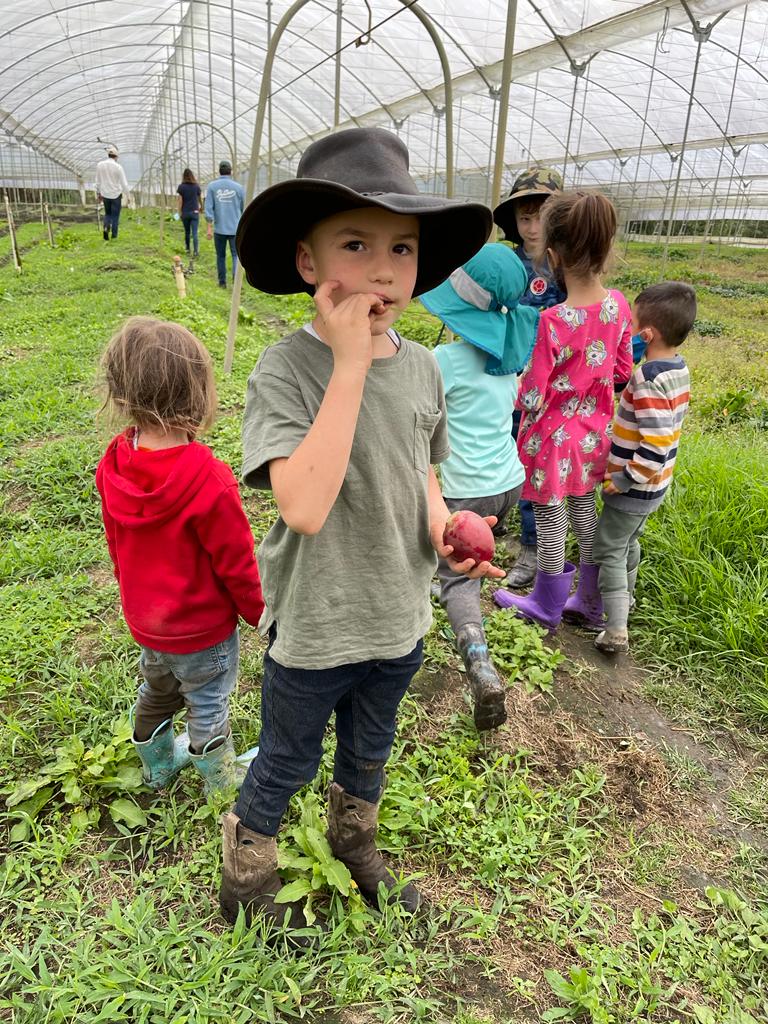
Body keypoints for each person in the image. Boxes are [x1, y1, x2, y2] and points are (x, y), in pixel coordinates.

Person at [219, 126, 497, 936]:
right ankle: (248, 882)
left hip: (397, 613)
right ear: (308, 264)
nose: (383, 269)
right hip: (317, 621)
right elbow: (301, 506)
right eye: (355, 244)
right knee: (287, 759)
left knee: (369, 751)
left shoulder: (420, 367)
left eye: (403, 249)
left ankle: (357, 848)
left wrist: (447, 528)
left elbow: (422, 471)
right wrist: (347, 363)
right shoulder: (289, 369)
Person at [95, 317, 264, 795]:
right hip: (203, 631)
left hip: (147, 623)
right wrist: (259, 614)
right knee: (207, 703)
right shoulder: (208, 477)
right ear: (197, 393)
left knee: (157, 690)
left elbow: (115, 542)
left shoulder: (113, 464)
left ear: (122, 391)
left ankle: (156, 768)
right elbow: (236, 562)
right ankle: (220, 785)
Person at [494, 191, 633, 632]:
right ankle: (590, 602)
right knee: (584, 513)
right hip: (594, 434)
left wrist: (514, 388)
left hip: (551, 440)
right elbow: (623, 369)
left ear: (551, 256)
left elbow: (532, 395)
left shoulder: (553, 320)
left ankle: (548, 602)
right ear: (606, 249)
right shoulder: (619, 306)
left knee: (552, 519)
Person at [420, 243, 537, 731]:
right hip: (510, 481)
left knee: (458, 576)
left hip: (468, 489)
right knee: (472, 558)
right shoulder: (508, 363)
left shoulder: (442, 359)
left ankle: (480, 664)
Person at [593, 282, 695, 654]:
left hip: (635, 486)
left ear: (647, 334)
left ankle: (616, 627)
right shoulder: (677, 368)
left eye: (633, 324)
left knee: (608, 549)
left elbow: (656, 442)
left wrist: (625, 477)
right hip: (657, 486)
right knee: (628, 541)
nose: (629, 331)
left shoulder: (648, 379)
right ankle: (628, 599)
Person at [493, 168, 567, 590]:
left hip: (548, 384)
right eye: (524, 217)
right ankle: (494, 514)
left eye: (541, 216)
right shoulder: (509, 262)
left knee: (533, 460)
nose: (532, 226)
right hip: (505, 373)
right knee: (499, 443)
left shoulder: (563, 265)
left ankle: (533, 545)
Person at [205, 161, 245, 287]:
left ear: (219, 171)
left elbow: (208, 208)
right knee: (235, 255)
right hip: (235, 229)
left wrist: (209, 227)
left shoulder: (212, 187)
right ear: (231, 171)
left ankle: (222, 282)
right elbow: (244, 208)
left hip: (219, 229)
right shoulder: (238, 188)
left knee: (220, 256)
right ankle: (236, 280)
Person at [95, 145, 130, 241]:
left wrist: (98, 193)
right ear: (116, 156)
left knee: (107, 213)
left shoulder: (100, 165)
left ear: (108, 155)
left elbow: (97, 181)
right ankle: (114, 236)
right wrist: (128, 195)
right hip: (116, 195)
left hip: (105, 194)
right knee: (115, 215)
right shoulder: (118, 167)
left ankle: (106, 228)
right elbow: (124, 183)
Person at [177, 168, 202, 257]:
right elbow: (199, 198)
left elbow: (180, 201)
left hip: (186, 213)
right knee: (195, 232)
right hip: (195, 212)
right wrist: (201, 207)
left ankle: (187, 249)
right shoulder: (196, 186)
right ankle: (196, 251)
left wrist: (179, 212)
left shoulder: (181, 187)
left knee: (187, 232)